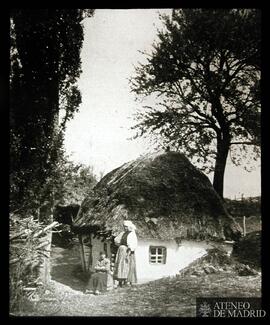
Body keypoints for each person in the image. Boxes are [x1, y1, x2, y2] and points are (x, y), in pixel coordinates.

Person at [113, 220, 138, 287]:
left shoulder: (132, 234)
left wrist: (128, 253)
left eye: (126, 226)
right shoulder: (123, 233)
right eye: (124, 226)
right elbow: (117, 241)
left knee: (127, 266)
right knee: (120, 266)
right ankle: (120, 281)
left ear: (129, 226)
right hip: (121, 252)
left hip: (128, 252)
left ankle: (127, 281)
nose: (125, 228)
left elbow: (132, 245)